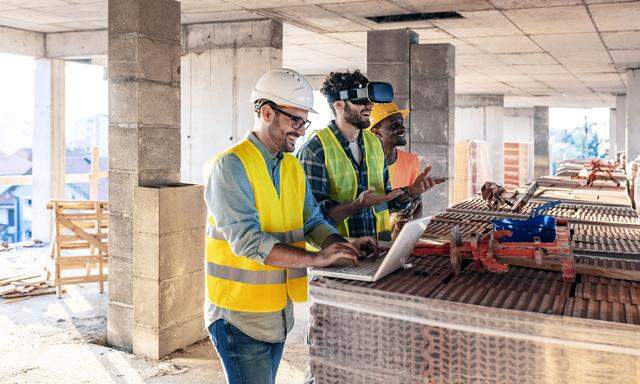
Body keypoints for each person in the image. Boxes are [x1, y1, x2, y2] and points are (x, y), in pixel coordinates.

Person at [203, 68, 377, 384]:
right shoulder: (231, 166)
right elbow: (247, 240)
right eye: (295, 121)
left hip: (277, 313)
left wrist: (339, 243)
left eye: (303, 121)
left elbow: (312, 220)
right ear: (267, 112)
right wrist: (315, 259)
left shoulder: (291, 166)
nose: (301, 130)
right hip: (238, 316)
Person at [297, 70, 438, 241]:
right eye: (361, 100)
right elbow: (314, 219)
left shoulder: (374, 143)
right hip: (339, 256)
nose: (370, 105)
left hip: (378, 248)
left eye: (370, 100)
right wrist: (358, 205)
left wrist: (410, 192)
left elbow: (384, 201)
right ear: (338, 105)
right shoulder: (315, 150)